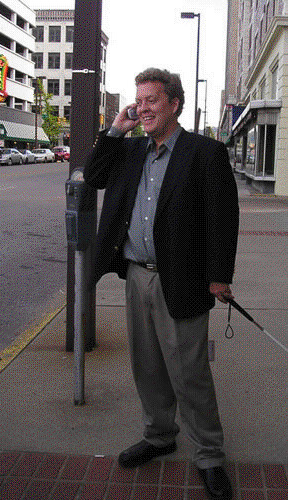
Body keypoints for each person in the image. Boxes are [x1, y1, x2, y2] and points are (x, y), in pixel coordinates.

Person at [84, 68, 239, 500]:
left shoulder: (205, 152)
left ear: (174, 104)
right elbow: (94, 176)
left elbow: (223, 220)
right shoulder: (130, 151)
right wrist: (117, 127)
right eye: (140, 100)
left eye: (152, 100)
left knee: (190, 374)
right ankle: (159, 436)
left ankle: (209, 454)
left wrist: (219, 277)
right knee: (147, 366)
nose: (144, 107)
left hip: (184, 279)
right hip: (137, 276)